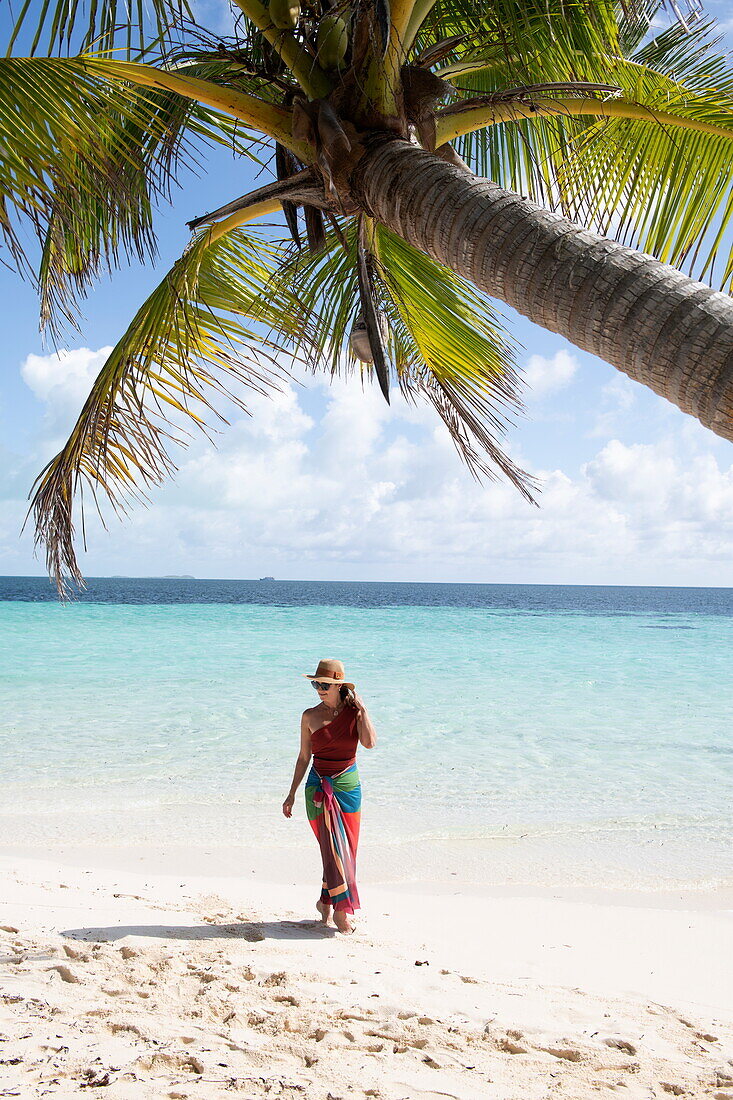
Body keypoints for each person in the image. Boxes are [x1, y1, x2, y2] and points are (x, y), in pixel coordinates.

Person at [282, 658, 377, 934]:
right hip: (317, 789)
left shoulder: (354, 714)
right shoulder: (309, 716)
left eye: (324, 684)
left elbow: (370, 743)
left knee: (347, 851)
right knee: (330, 849)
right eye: (316, 684)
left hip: (348, 787)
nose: (319, 689)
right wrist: (290, 794)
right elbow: (303, 757)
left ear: (338, 686)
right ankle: (340, 911)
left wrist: (363, 710)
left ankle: (325, 901)